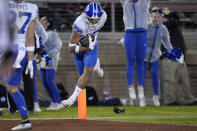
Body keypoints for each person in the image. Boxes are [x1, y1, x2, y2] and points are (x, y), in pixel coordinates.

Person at [61, 2, 107, 107]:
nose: (95, 22)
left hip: (91, 47)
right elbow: (71, 48)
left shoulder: (103, 16)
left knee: (88, 72)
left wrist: (90, 44)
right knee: (83, 77)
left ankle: (71, 99)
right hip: (80, 49)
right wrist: (86, 45)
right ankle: (96, 63)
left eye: (97, 19)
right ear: (86, 16)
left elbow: (93, 38)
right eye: (91, 19)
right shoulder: (79, 23)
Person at [8, 0, 39, 130]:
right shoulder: (32, 7)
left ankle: (25, 120)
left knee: (12, 87)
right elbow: (30, 37)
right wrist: (30, 61)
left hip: (7, 48)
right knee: (12, 87)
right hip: (21, 51)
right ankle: (25, 120)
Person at [120, 0, 151, 107]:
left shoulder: (144, 2)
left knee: (141, 61)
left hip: (142, 33)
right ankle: (131, 87)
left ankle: (141, 87)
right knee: (130, 60)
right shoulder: (125, 2)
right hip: (129, 33)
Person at [144, 7, 173, 106]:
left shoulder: (163, 29)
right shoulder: (146, 26)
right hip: (143, 57)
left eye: (158, 17)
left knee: (154, 76)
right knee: (141, 77)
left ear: (161, 18)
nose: (156, 19)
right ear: (150, 17)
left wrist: (173, 52)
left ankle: (156, 96)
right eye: (154, 17)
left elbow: (167, 43)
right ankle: (142, 97)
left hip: (155, 57)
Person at [39, 16, 63, 110]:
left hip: (50, 60)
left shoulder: (52, 34)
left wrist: (47, 56)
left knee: (50, 81)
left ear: (48, 23)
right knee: (44, 82)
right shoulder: (40, 34)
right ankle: (53, 102)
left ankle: (58, 102)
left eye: (43, 20)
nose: (40, 21)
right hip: (41, 60)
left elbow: (57, 47)